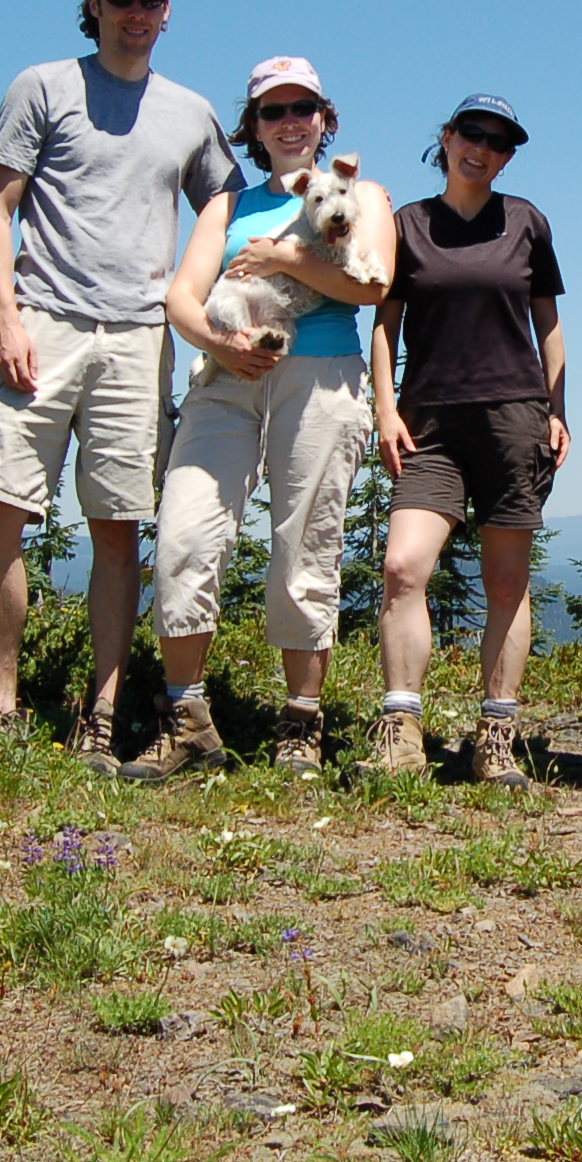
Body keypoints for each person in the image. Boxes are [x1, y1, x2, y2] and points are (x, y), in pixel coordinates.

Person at [0, 0, 241, 760]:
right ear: (94, 6)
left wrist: (216, 286)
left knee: (117, 527)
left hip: (138, 337)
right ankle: (1, 701)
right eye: (123, 0)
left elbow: (227, 206)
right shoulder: (43, 86)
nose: (137, 14)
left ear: (168, 12)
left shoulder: (190, 113)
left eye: (151, 1)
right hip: (43, 321)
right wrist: (6, 319)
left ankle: (103, 712)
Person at [124, 57, 395, 780]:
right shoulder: (226, 206)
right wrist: (220, 344)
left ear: (324, 118)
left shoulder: (363, 194)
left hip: (321, 376)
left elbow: (373, 285)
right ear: (253, 127)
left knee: (306, 546)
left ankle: (301, 722)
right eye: (273, 112)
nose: (290, 123)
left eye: (303, 108)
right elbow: (182, 296)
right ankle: (186, 719)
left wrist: (281, 257)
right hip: (227, 375)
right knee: (184, 532)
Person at [363, 94, 570, 789]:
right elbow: (385, 322)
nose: (482, 149)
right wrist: (385, 406)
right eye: (471, 134)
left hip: (515, 418)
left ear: (507, 157)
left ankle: (498, 735)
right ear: (447, 138)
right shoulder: (408, 225)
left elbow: (547, 322)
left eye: (499, 142)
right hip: (430, 423)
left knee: (507, 580)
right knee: (403, 568)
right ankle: (401, 729)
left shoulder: (526, 223)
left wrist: (557, 410)